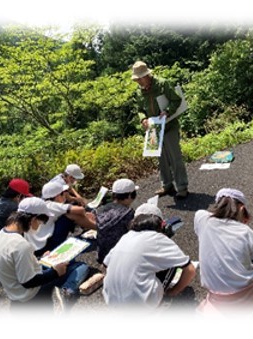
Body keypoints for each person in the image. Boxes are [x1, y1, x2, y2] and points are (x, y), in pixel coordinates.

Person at [0, 197, 90, 311]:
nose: (41, 225)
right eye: (42, 221)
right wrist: (55, 272)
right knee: (76, 267)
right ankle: (68, 291)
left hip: (14, 291)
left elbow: (15, 263)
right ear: (33, 219)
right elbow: (29, 282)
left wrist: (38, 259)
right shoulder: (20, 245)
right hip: (30, 295)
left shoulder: (2, 235)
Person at [102, 203, 196, 309]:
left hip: (111, 302)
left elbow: (105, 265)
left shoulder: (126, 237)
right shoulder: (157, 238)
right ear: (161, 224)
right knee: (174, 266)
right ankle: (157, 302)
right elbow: (190, 269)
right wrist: (174, 291)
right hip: (141, 307)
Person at [132, 61, 189, 199]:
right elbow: (139, 109)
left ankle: (182, 187)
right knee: (161, 158)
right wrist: (142, 119)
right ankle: (167, 185)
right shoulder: (138, 92)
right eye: (137, 79)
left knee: (175, 157)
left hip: (169, 125)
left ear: (147, 75)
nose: (139, 81)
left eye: (140, 78)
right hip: (153, 128)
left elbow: (177, 100)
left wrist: (167, 111)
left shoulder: (163, 84)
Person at [24, 181, 97, 258]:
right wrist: (86, 215)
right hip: (44, 247)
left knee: (66, 213)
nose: (65, 195)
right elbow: (80, 210)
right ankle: (99, 227)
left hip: (34, 248)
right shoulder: (52, 205)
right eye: (63, 193)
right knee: (69, 215)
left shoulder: (42, 203)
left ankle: (95, 227)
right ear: (57, 196)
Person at [95, 178, 139, 266]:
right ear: (130, 195)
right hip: (120, 258)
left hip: (102, 256)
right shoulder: (128, 213)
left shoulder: (103, 209)